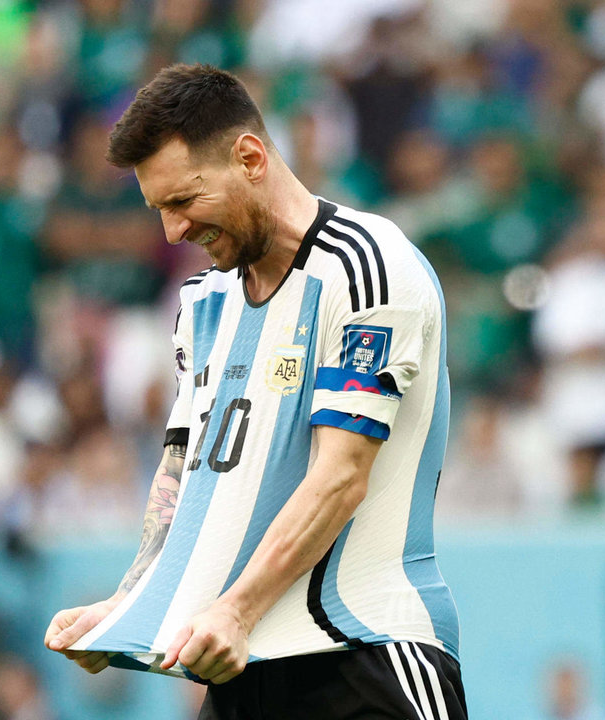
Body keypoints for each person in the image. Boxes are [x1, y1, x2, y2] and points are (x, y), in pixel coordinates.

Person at [43, 63, 467, 719]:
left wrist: (236, 609)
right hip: (247, 667)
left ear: (249, 157)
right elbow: (184, 480)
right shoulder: (202, 305)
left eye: (183, 201)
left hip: (369, 654)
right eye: (159, 210)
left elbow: (340, 477)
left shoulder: (366, 265)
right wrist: (132, 604)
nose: (172, 232)